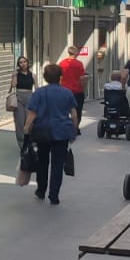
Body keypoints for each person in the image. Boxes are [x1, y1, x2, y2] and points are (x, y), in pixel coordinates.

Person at [24, 63, 78, 205]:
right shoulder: (67, 93)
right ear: (60, 77)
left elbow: (32, 113)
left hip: (42, 132)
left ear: (45, 77)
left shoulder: (39, 93)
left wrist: (26, 128)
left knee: (42, 162)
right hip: (61, 132)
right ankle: (54, 195)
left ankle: (41, 190)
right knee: (57, 165)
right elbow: (73, 113)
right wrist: (74, 130)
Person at [58, 46, 87, 132]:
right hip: (77, 91)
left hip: (64, 90)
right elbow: (82, 78)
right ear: (76, 53)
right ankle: (76, 128)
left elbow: (60, 77)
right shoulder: (79, 64)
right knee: (77, 110)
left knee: (64, 110)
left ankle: (64, 126)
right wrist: (83, 89)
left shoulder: (62, 63)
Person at [12, 55, 36, 150]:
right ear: (18, 64)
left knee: (29, 121)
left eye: (24, 62)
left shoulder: (33, 75)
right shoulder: (16, 75)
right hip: (19, 98)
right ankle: (21, 143)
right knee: (19, 122)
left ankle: (31, 140)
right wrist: (14, 75)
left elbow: (37, 88)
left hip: (30, 97)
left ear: (27, 63)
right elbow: (14, 85)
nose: (23, 64)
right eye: (21, 62)